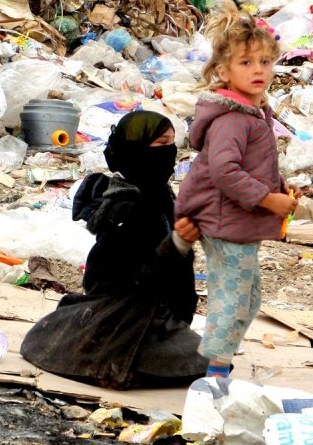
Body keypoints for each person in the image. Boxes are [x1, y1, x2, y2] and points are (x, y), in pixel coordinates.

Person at [20, 110, 207, 390]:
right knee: (203, 362)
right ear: (137, 150)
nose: (169, 152)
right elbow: (124, 275)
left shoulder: (161, 195)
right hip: (122, 312)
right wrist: (177, 245)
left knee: (208, 357)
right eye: (160, 144)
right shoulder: (124, 205)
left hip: (155, 310)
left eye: (172, 143)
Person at [175, 5, 296, 379]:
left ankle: (217, 361)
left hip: (237, 220)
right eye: (246, 63)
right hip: (226, 222)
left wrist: (280, 189)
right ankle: (215, 371)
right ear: (224, 72)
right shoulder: (231, 119)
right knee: (233, 299)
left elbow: (250, 166)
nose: (258, 70)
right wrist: (268, 198)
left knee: (249, 296)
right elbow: (225, 170)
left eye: (264, 61)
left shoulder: (253, 113)